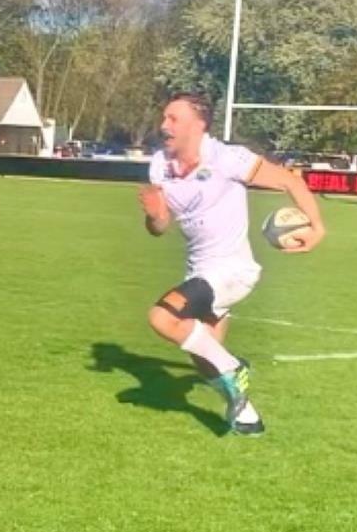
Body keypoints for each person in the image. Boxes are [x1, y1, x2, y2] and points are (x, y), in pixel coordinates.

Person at [138, 92, 325, 435]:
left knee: (162, 317)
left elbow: (289, 180)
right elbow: (160, 227)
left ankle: (234, 366)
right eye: (163, 118)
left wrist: (318, 226)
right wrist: (154, 215)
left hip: (231, 271)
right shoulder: (159, 165)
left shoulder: (227, 158)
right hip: (199, 271)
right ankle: (247, 417)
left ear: (200, 125)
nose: (164, 125)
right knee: (205, 358)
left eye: (173, 119)